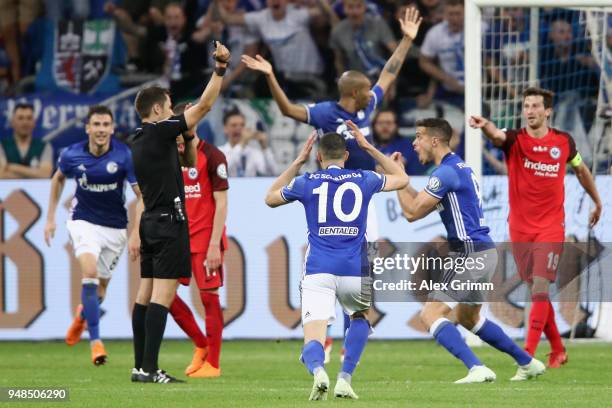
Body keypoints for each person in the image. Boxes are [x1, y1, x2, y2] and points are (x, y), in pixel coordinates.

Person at [243, 5, 421, 359]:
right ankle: (322, 332)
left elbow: (389, 72)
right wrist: (270, 76)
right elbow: (288, 111)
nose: (374, 93)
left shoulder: (366, 106)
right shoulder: (327, 112)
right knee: (328, 259)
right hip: (329, 193)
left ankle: (346, 336)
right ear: (353, 93)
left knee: (362, 264)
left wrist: (405, 40)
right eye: (367, 90)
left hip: (363, 193)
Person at [394, 118, 546, 383]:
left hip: (469, 253)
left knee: (430, 314)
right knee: (468, 317)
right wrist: (403, 181)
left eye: (418, 137)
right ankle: (527, 362)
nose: (414, 143)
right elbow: (418, 201)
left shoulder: (445, 173)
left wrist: (397, 181)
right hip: (484, 252)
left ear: (434, 140)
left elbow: (411, 212)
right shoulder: (457, 168)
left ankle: (476, 368)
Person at [265, 121, 408, 400]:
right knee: (359, 317)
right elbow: (402, 179)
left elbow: (270, 198)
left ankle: (319, 370)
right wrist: (368, 147)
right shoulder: (364, 178)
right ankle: (345, 378)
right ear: (346, 155)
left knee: (314, 335)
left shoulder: (306, 182)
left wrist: (297, 163)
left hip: (319, 268)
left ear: (318, 157)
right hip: (355, 269)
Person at [469, 87, 602, 367]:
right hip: (520, 228)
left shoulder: (564, 142)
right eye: (526, 106)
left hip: (551, 226)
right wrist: (485, 127)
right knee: (535, 289)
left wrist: (597, 201)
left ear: (548, 111)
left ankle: (526, 357)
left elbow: (580, 170)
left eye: (535, 106)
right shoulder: (515, 140)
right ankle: (557, 349)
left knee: (540, 286)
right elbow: (497, 135)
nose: (529, 111)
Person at [129, 41, 230, 384]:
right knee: (162, 297)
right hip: (170, 223)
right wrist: (219, 70)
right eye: (170, 108)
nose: (173, 113)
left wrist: (182, 143)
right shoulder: (160, 132)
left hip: (149, 222)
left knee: (144, 295)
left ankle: (139, 366)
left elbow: (186, 159)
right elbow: (204, 106)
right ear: (158, 110)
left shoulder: (139, 138)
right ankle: (152, 370)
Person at [43, 105, 143, 366]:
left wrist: (135, 233)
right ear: (87, 128)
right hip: (83, 221)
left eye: (105, 125)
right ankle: (96, 342)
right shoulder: (71, 154)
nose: (100, 129)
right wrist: (51, 217)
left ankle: (82, 316)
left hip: (116, 228)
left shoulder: (124, 156)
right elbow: (57, 179)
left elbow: (141, 197)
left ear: (112, 128)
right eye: (96, 124)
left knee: (100, 289)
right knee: (89, 273)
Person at [167, 102, 229, 378]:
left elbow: (222, 202)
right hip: (176, 237)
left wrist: (215, 243)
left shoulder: (213, 156)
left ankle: (213, 365)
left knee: (209, 298)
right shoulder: (169, 156)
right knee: (163, 297)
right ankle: (200, 344)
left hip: (205, 240)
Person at [418, 0, 465, 108]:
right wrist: (447, 79)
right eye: (450, 14)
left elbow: (490, 59)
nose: (454, 18)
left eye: (458, 14)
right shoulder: (435, 33)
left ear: (465, 12)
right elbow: (424, 61)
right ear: (444, 14)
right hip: (448, 88)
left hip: (479, 87)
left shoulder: (480, 28)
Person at [218, 108, 277, 177]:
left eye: (242, 125)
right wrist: (242, 143)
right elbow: (223, 170)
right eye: (234, 125)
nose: (238, 128)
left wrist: (264, 147)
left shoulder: (254, 152)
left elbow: (272, 172)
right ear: (225, 129)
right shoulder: (219, 151)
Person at [0, 103, 52, 179]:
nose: (25, 122)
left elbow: (46, 174)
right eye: (20, 118)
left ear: (34, 123)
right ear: (12, 122)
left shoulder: (44, 146)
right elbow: (1, 175)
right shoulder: (2, 145)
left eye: (29, 118)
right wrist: (34, 173)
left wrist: (12, 167)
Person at [372, 109, 429, 175]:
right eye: (380, 123)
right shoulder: (371, 147)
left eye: (389, 123)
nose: (385, 126)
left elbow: (393, 169)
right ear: (374, 126)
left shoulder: (407, 145)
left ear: (396, 125)